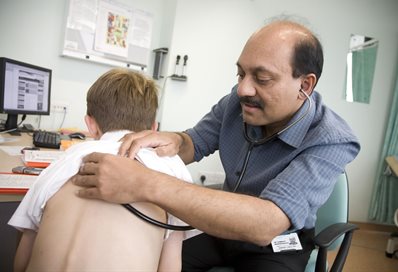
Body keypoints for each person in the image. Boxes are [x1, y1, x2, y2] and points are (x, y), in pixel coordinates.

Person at [72, 19, 361, 271]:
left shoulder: (331, 139)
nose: (243, 89)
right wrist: (175, 139)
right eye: (241, 74)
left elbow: (266, 224)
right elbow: (193, 143)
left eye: (262, 78)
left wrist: (146, 183)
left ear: (305, 86)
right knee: (151, 257)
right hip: (223, 229)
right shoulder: (236, 103)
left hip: (278, 243)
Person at [8, 68, 195, 272]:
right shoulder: (172, 166)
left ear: (90, 125)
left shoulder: (66, 159)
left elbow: (21, 260)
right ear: (153, 128)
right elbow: (170, 267)